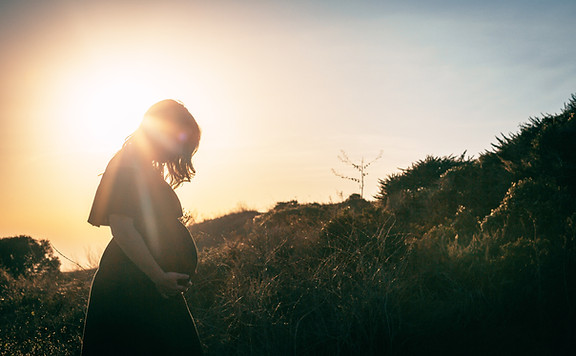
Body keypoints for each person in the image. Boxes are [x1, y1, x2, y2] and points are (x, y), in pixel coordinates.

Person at [82, 99, 203, 355]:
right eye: (179, 141)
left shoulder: (141, 164)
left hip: (147, 283)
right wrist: (159, 277)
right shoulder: (127, 165)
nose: (178, 152)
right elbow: (123, 229)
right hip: (131, 285)